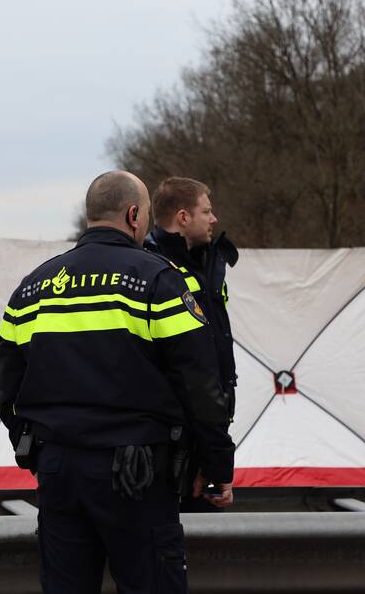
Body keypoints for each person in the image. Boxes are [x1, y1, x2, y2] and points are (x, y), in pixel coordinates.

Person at [0, 171, 235, 594]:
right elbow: (200, 385)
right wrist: (215, 465)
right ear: (134, 215)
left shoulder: (34, 287)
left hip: (59, 471)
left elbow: (6, 388)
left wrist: (39, 450)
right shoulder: (158, 280)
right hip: (139, 474)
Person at [144, 177, 238, 511]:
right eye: (207, 211)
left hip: (203, 438)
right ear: (183, 217)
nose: (214, 219)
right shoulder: (153, 271)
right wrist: (217, 460)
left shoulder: (206, 263)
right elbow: (194, 376)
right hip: (167, 444)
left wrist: (211, 455)